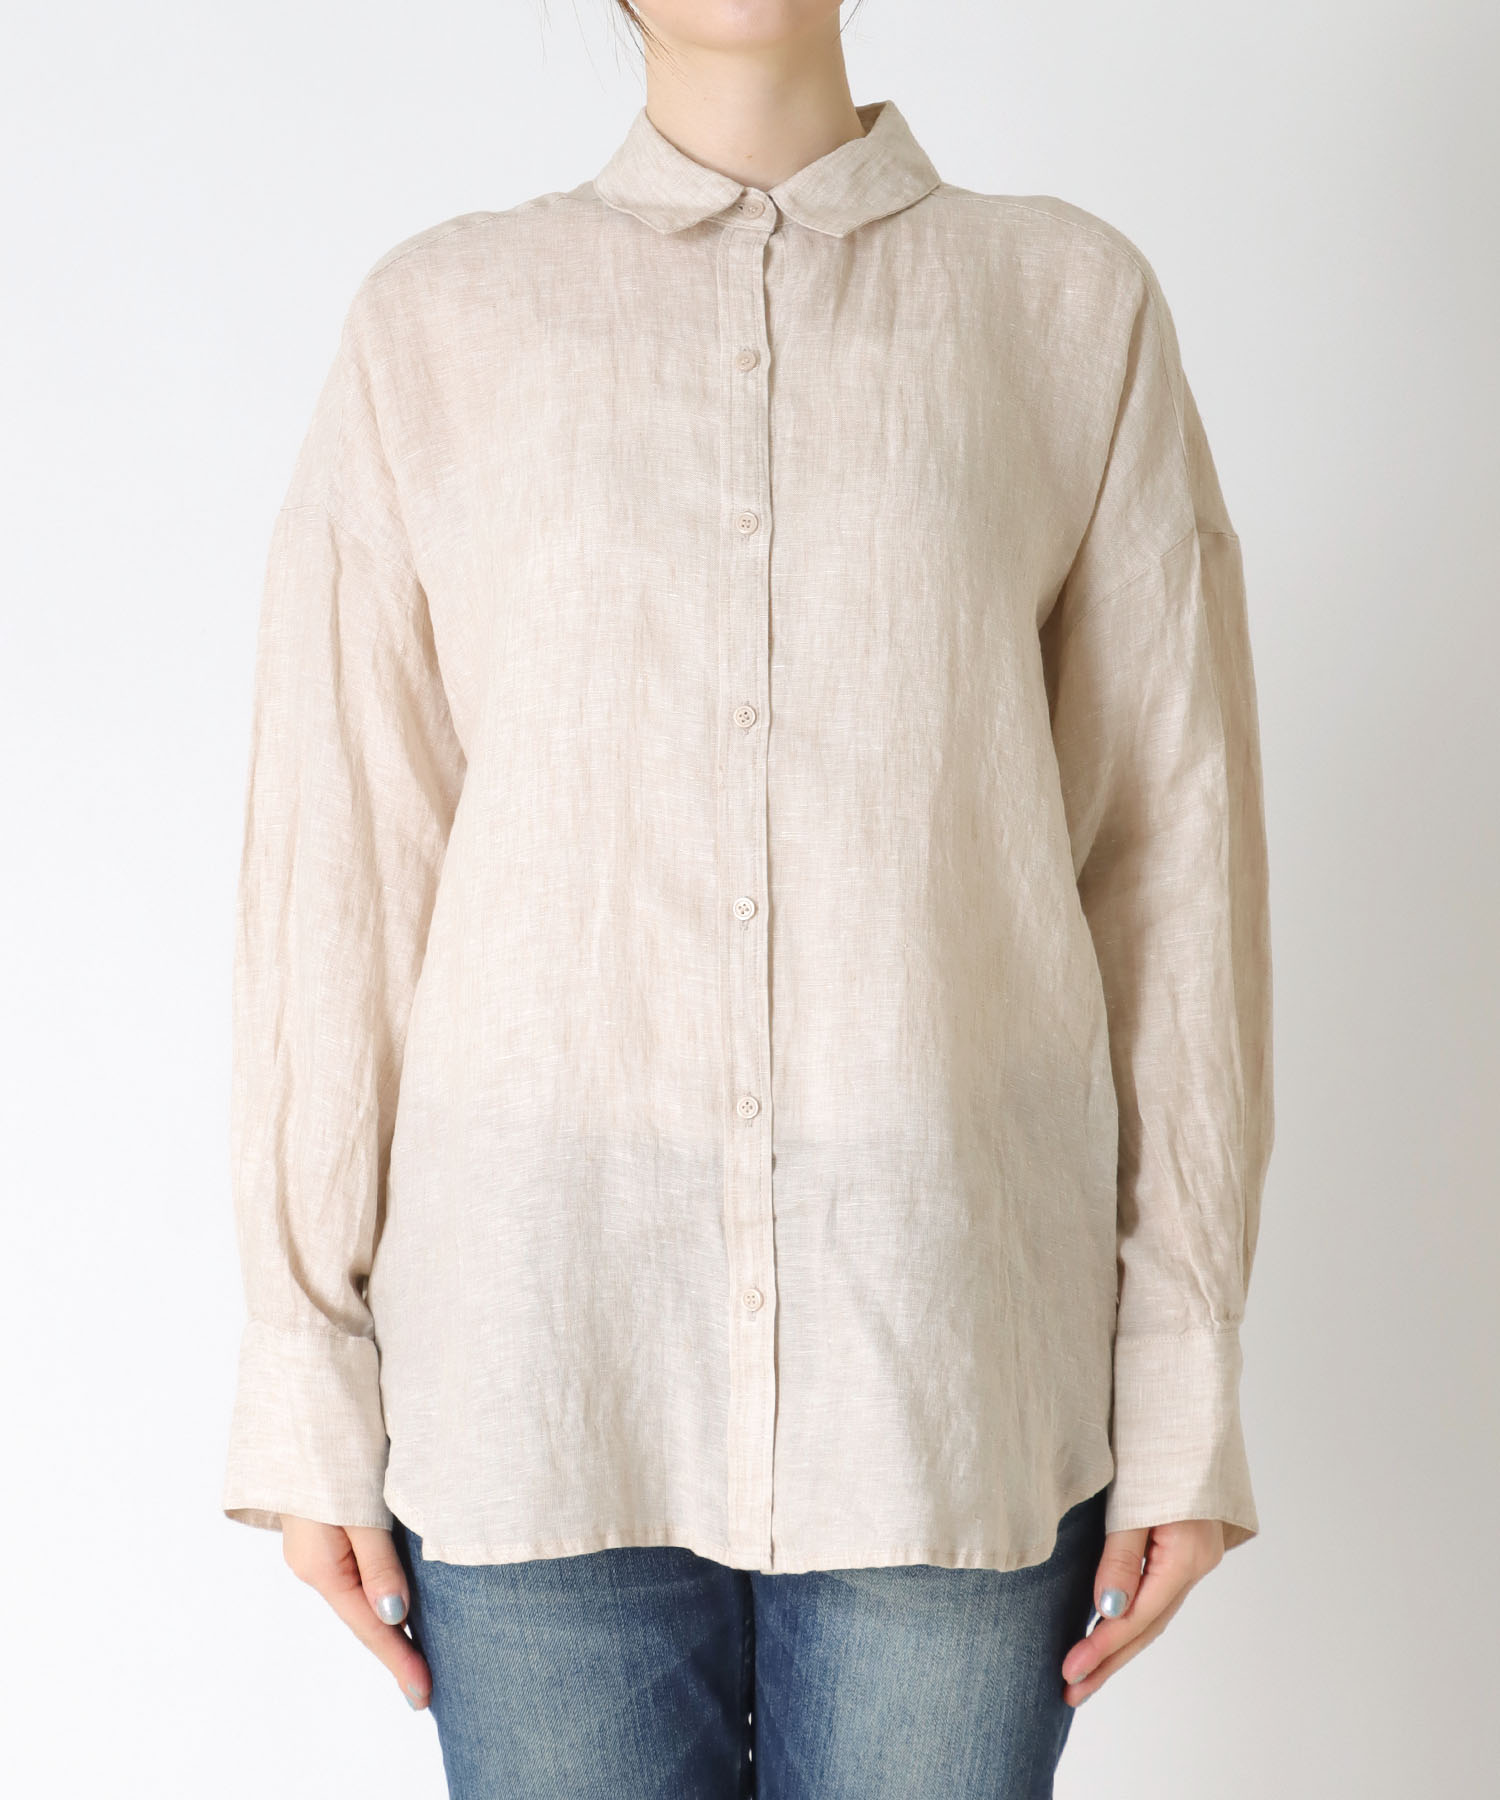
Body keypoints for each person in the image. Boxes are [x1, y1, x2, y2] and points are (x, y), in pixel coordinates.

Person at [220, 2, 1275, 1794]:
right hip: (536, 1357)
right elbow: (345, 871)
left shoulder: (1066, 306)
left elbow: (1169, 874)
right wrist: (303, 1368)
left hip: (942, 1361)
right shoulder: (438, 323)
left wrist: (1182, 1377)